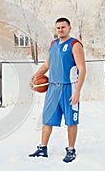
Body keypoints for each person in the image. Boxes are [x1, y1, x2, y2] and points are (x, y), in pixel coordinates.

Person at [28, 17, 86, 163]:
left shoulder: (75, 44)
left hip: (69, 87)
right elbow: (47, 65)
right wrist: (35, 76)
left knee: (71, 121)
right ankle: (42, 148)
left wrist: (77, 91)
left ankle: (71, 150)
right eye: (58, 27)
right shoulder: (53, 44)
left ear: (69, 28)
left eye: (63, 27)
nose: (60, 30)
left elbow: (82, 69)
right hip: (53, 88)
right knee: (47, 119)